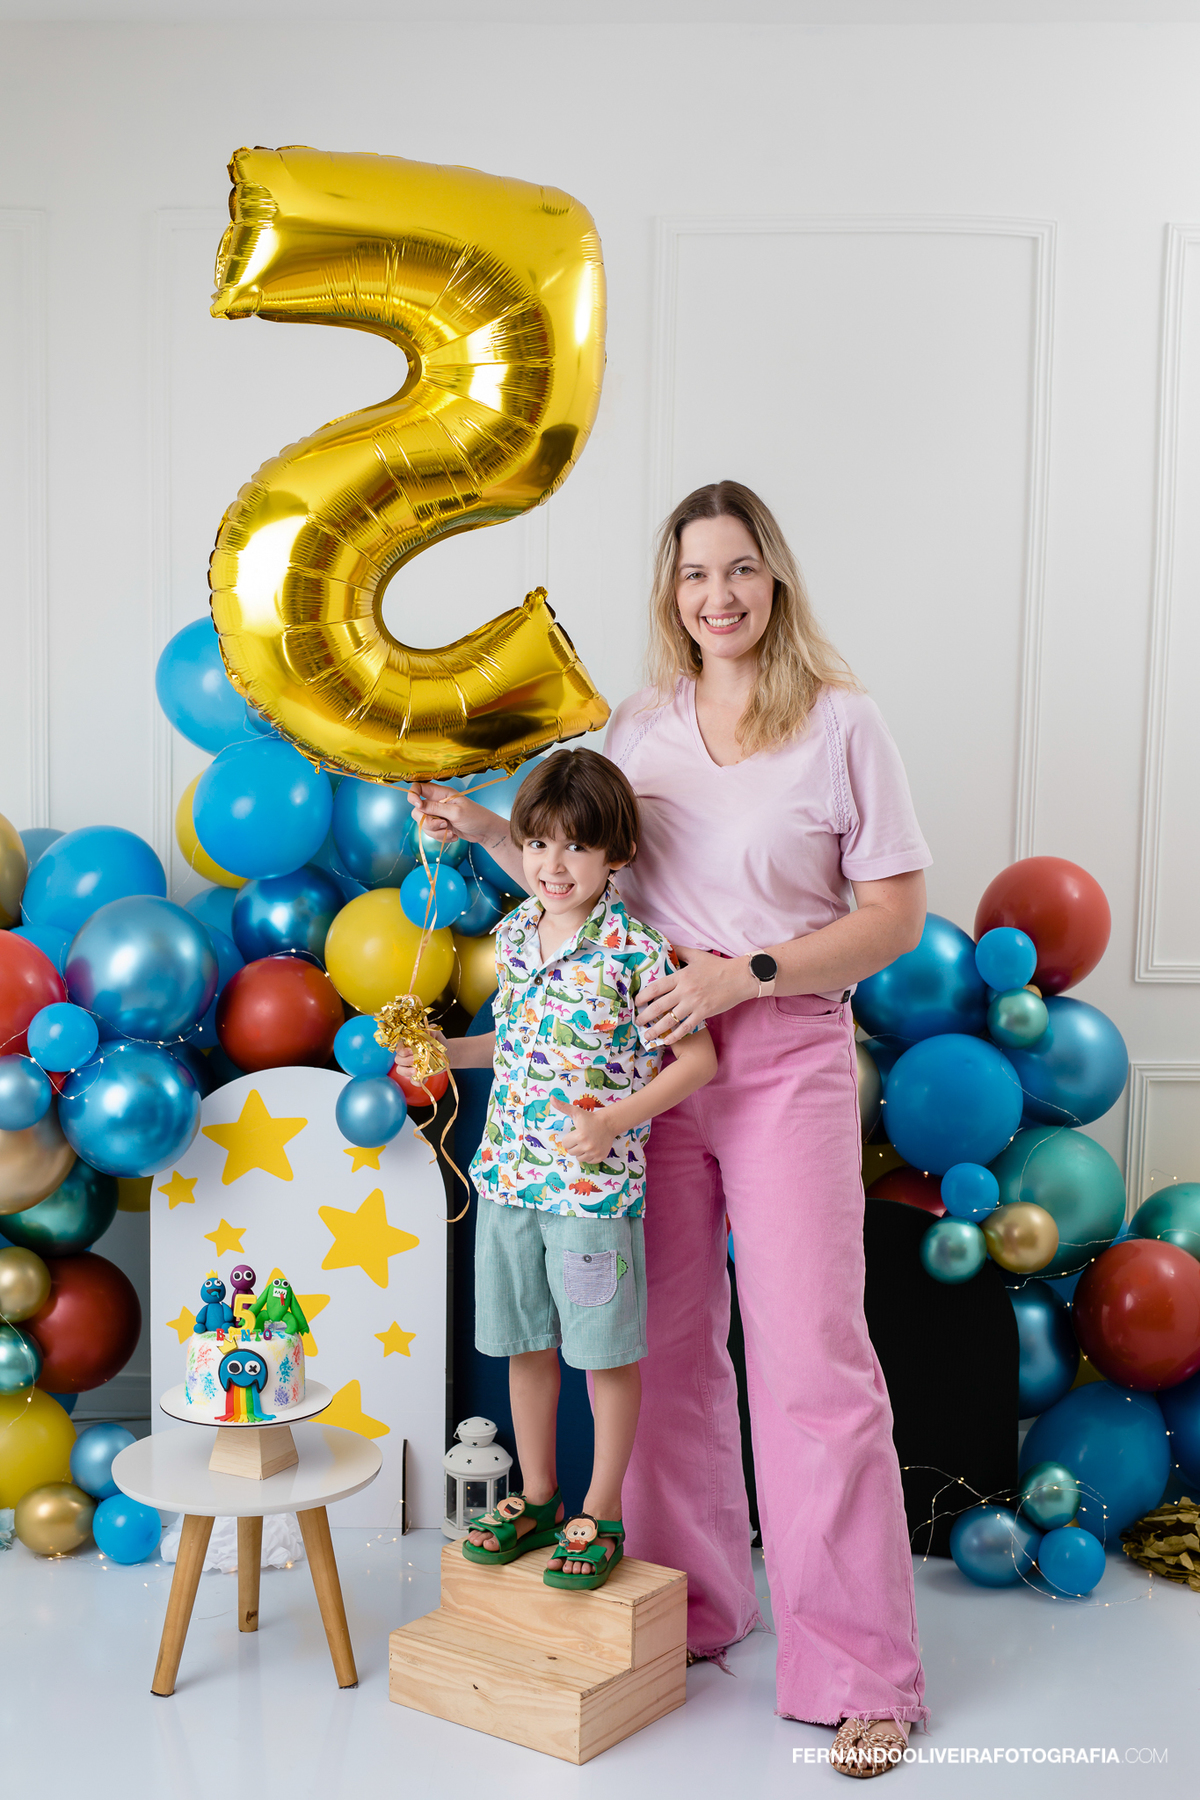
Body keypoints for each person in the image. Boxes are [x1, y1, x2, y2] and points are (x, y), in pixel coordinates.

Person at [410, 483, 930, 1773]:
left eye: (741, 571)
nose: (720, 597)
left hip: (782, 1051)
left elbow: (896, 919)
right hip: (642, 1071)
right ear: (672, 593)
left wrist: (746, 974)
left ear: (777, 581)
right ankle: (693, 1609)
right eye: (696, 576)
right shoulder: (642, 726)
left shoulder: (843, 724)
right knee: (665, 1349)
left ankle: (861, 1670)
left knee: (813, 1360)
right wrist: (483, 829)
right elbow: (579, 878)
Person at [396, 747, 716, 1590]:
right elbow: (514, 1042)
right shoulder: (512, 935)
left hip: (590, 1195)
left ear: (616, 855)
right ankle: (537, 1495)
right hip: (507, 1180)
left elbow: (696, 1062)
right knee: (523, 1347)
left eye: (575, 848)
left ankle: (601, 1509)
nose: (552, 865)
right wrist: (440, 1050)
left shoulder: (637, 952)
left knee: (602, 1357)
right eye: (537, 845)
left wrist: (613, 1121)